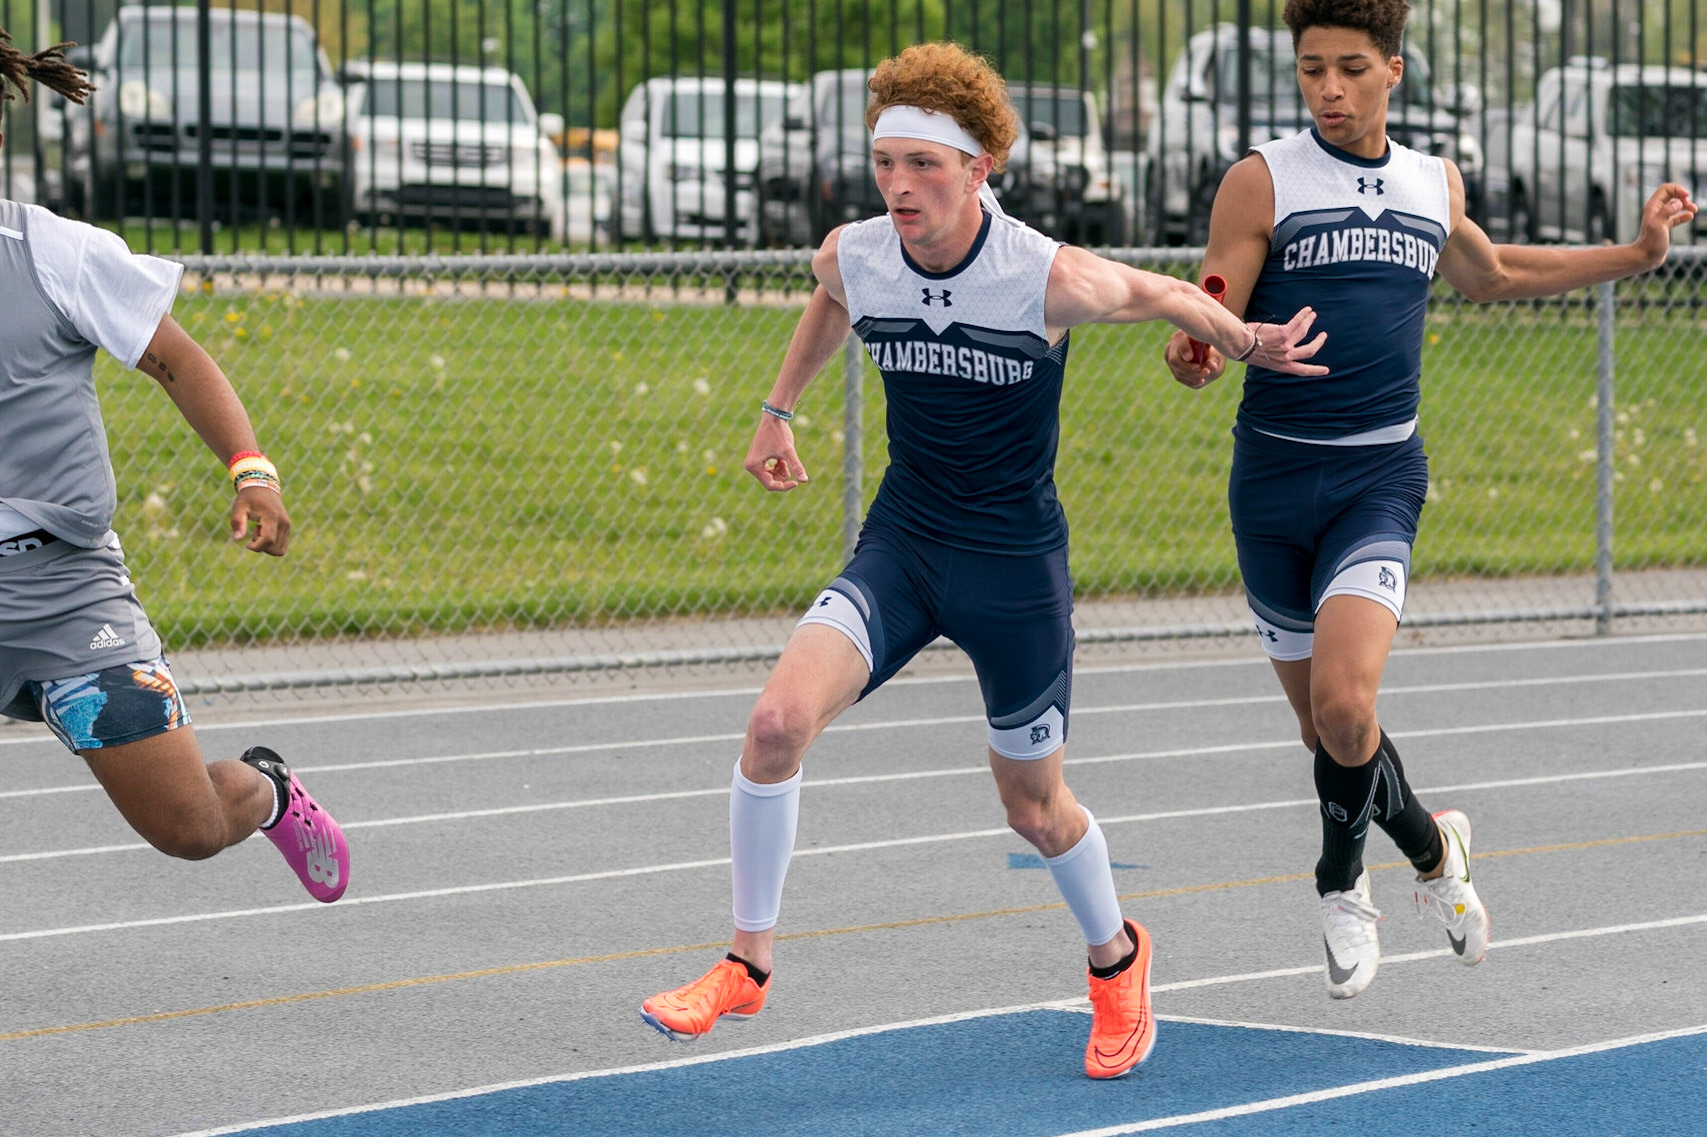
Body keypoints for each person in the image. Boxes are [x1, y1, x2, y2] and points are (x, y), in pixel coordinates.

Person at [640, 41, 1326, 1079]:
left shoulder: (1043, 275)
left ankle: (1117, 959)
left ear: (979, 168)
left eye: (924, 165)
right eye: (886, 164)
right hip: (904, 547)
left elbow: (1161, 294)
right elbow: (832, 293)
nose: (899, 186)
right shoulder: (859, 252)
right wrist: (778, 409)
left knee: (1034, 809)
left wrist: (1242, 339)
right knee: (775, 725)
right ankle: (746, 963)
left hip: (1012, 569)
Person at [1163, 0, 1696, 1000]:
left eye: (1350, 68)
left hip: (1377, 479)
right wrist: (1201, 352)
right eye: (1311, 69)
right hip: (1271, 483)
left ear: (1393, 72)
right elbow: (1209, 313)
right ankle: (1433, 848)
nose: (1328, 88)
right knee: (1332, 740)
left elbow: (1492, 274)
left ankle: (1337, 884)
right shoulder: (1261, 180)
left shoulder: (1430, 181)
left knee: (1345, 706)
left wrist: (1634, 256)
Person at [0, 32, 349, 902]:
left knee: (188, 826)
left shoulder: (52, 253)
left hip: (62, 590)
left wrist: (251, 470)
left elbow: (179, 361)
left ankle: (267, 790)